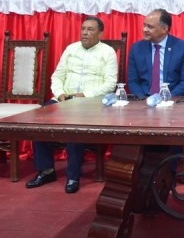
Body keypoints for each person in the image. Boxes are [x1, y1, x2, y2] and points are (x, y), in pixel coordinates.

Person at [26, 16, 117, 193]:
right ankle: (46, 170)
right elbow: (57, 76)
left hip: (90, 102)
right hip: (63, 99)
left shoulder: (108, 52)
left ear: (100, 33)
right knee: (39, 120)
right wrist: (60, 94)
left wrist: (84, 95)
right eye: (83, 29)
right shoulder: (71, 49)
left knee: (75, 124)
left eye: (90, 30)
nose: (85, 33)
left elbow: (110, 84)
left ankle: (73, 176)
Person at [127, 9, 184, 99]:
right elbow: (132, 81)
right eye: (144, 25)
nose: (144, 29)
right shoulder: (136, 48)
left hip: (172, 100)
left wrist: (166, 98)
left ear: (164, 29)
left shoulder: (183, 48)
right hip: (143, 100)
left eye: (150, 27)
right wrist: (143, 99)